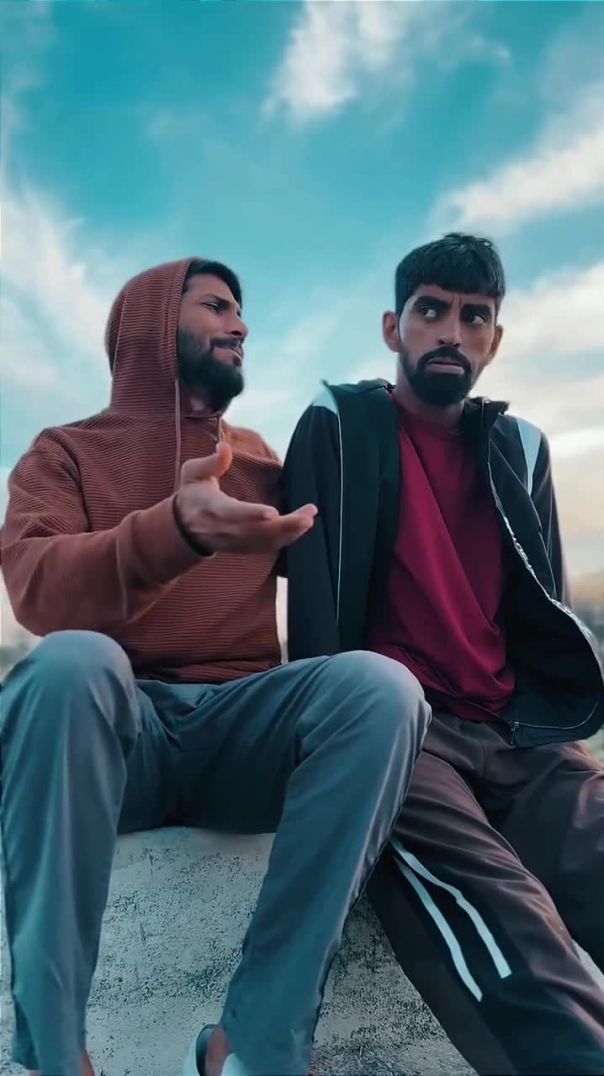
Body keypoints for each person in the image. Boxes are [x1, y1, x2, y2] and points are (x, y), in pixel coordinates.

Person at [0, 257, 431, 1076]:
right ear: (152, 321)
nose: (240, 324)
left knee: (380, 688)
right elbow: (37, 591)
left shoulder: (262, 463)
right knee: (71, 661)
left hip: (240, 736)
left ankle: (254, 1046)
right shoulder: (63, 453)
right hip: (114, 735)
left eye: (242, 310)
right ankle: (56, 1056)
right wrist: (176, 531)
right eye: (218, 306)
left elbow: (370, 557)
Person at [283, 233, 604, 1075]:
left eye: (475, 317)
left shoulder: (521, 447)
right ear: (394, 328)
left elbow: (544, 606)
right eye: (431, 311)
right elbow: (312, 608)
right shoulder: (338, 424)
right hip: (402, 735)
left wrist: (547, 724)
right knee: (513, 921)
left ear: (494, 339)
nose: (452, 332)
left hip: (520, 733)